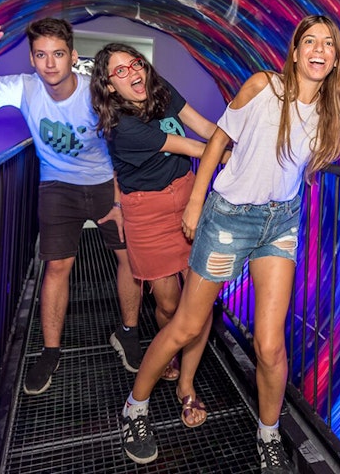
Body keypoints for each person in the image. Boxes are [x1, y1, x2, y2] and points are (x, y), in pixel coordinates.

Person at [117, 0, 340, 471]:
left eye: (329, 44)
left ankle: (269, 434)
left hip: (280, 225)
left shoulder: (334, 102)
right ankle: (136, 406)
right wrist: (195, 202)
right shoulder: (263, 87)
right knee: (187, 326)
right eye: (311, 42)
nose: (320, 51)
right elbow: (219, 138)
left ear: (333, 57)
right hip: (228, 219)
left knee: (270, 344)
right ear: (296, 50)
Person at [0, 17, 143, 395]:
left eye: (58, 54)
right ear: (32, 60)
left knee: (128, 257)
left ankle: (128, 332)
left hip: (102, 184)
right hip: (56, 187)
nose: (50, 63)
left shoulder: (94, 92)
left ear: (72, 57)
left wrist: (118, 196)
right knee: (56, 267)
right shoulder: (23, 87)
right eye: (41, 55)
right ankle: (51, 351)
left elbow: (124, 141)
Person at [90, 43, 226, 429]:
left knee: (199, 306)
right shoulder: (121, 126)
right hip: (147, 215)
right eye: (120, 71)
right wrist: (245, 160)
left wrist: (240, 143)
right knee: (168, 303)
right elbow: (195, 147)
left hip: (188, 196)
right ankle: (165, 346)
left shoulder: (158, 87)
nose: (134, 72)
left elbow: (204, 128)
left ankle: (186, 383)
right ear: (109, 87)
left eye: (136, 63)